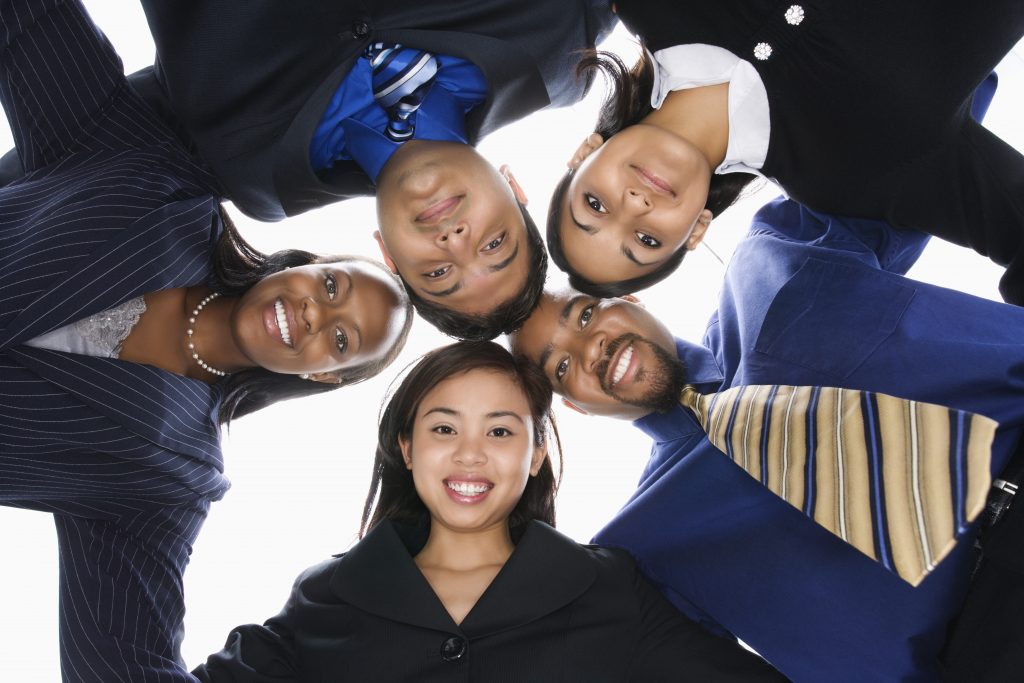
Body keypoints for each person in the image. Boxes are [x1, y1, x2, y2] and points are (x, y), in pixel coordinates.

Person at [0, 1, 413, 680]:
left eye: (342, 340)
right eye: (332, 286)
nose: (315, 316)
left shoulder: (169, 481)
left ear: (323, 377)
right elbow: (31, 25)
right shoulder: (152, 174)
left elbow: (119, 665)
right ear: (305, 263)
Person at [511, 197, 1024, 682]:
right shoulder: (642, 552)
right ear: (574, 406)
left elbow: (914, 143)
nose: (590, 349)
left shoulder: (772, 257)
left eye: (582, 314)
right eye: (560, 367)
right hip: (987, 649)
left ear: (626, 294)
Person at [193, 341, 786, 681]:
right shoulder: (327, 595)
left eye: (500, 431)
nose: (470, 454)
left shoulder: (609, 587)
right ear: (406, 447)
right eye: (444, 427)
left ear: (535, 456)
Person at [97, 0, 618, 340]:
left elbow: (81, 134)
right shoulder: (564, 49)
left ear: (388, 255)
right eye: (492, 245)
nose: (455, 240)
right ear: (515, 187)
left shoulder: (250, 174)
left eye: (437, 273)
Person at [545, 0, 1024, 305]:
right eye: (647, 241)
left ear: (585, 152)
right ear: (696, 232)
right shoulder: (854, 175)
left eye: (595, 205)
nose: (634, 206)